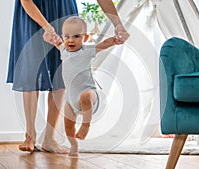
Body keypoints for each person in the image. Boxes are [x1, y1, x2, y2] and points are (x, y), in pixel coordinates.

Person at [7, 0, 130, 153]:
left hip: (64, 8)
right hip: (32, 11)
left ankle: (49, 138)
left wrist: (118, 24)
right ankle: (30, 134)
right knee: (31, 70)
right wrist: (46, 26)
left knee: (61, 69)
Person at [54, 16, 117, 156]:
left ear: (85, 37)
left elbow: (103, 45)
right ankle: (73, 145)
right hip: (71, 98)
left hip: (89, 92)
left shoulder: (86, 51)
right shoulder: (63, 50)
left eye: (76, 36)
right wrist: (50, 38)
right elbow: (56, 42)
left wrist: (114, 40)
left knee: (84, 96)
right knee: (68, 124)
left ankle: (85, 125)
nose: (71, 40)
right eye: (67, 36)